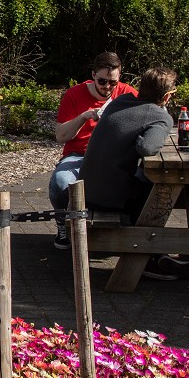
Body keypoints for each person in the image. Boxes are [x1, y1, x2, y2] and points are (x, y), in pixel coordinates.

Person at [80, 67, 189, 281]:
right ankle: (148, 257)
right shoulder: (158, 116)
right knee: (161, 189)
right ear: (166, 96)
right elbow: (148, 148)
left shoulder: (120, 101)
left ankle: (154, 254)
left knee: (145, 181)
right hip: (109, 197)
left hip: (88, 187)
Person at [49, 52, 137, 248]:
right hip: (79, 154)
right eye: (102, 81)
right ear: (93, 75)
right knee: (61, 182)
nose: (107, 87)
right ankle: (63, 224)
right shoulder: (74, 94)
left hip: (114, 157)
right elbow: (61, 136)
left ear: (119, 77)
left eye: (112, 82)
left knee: (142, 181)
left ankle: (135, 231)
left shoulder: (128, 94)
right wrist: (84, 117)